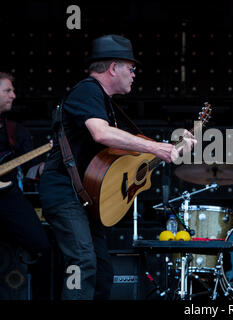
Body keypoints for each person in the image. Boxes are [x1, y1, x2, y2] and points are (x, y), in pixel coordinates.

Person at [39, 35, 196, 300]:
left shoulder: (103, 101)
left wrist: (172, 148)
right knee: (83, 263)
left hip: (88, 197)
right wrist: (158, 147)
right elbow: (101, 134)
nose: (134, 75)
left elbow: (126, 153)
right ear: (114, 67)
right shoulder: (88, 90)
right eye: (131, 68)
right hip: (66, 193)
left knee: (101, 271)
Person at [0, 72, 51, 297]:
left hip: (7, 197)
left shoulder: (15, 130)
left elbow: (31, 168)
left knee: (42, 246)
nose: (14, 95)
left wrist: (44, 167)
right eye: (7, 90)